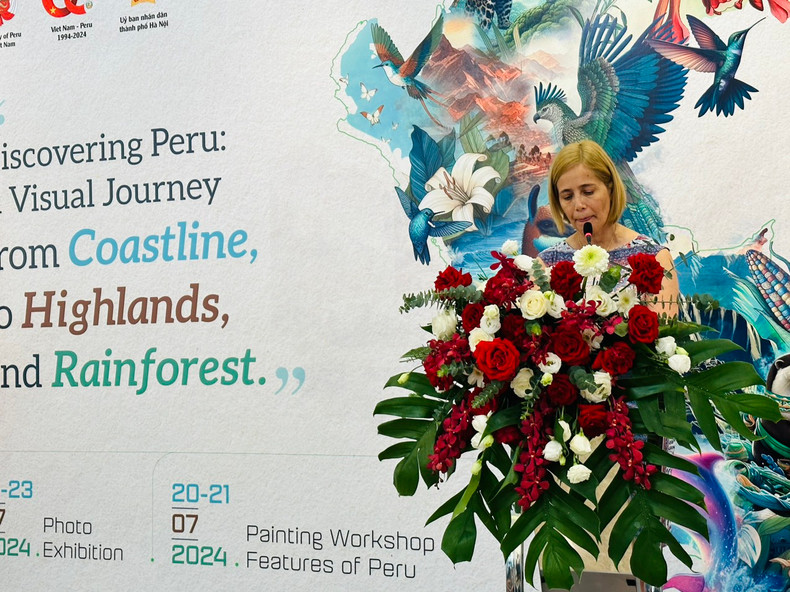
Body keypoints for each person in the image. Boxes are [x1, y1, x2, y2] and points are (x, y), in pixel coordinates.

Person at [537, 140, 680, 316]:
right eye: (567, 197)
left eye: (588, 192)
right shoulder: (546, 264)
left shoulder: (655, 259)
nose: (578, 205)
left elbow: (664, 337)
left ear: (610, 189)